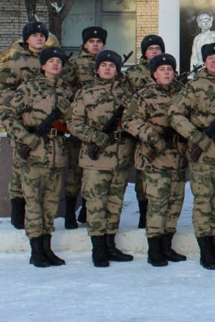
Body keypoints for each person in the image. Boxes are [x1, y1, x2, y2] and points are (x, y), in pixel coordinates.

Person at [169, 43, 215, 270]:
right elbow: (175, 113)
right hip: (203, 153)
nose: (214, 61)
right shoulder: (194, 87)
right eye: (210, 58)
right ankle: (205, 250)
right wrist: (195, 136)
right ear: (204, 61)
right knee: (203, 202)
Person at [0, 47, 71, 267]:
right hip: (34, 154)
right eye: (51, 61)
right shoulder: (29, 88)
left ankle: (47, 248)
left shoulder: (67, 91)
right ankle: (35, 250)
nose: (55, 64)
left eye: (59, 61)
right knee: (34, 204)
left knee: (50, 204)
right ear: (43, 65)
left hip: (57, 154)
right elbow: (5, 113)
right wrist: (25, 137)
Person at [69, 50, 135, 267]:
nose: (108, 69)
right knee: (96, 204)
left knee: (115, 203)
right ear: (97, 69)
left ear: (117, 70)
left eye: (112, 65)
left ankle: (110, 245)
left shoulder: (127, 94)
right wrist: (94, 136)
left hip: (120, 155)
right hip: (95, 159)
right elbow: (74, 123)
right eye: (104, 65)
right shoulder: (85, 93)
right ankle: (98, 249)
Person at [123, 53, 188, 267]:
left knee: (175, 203)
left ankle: (167, 245)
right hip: (154, 160)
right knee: (158, 205)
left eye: (170, 69)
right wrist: (154, 138)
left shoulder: (182, 93)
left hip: (177, 158)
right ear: (154, 73)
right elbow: (130, 121)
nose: (167, 72)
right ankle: (154, 249)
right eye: (162, 70)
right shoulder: (143, 95)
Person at [0, 21, 48, 230]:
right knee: (20, 164)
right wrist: (19, 105)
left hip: (44, 122)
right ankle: (18, 210)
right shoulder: (15, 63)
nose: (39, 38)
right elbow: (1, 88)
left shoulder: (50, 60)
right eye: (35, 36)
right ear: (27, 40)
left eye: (42, 35)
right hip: (21, 122)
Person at [62, 26, 108, 229]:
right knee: (75, 172)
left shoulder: (109, 63)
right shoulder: (74, 64)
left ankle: (87, 211)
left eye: (99, 42)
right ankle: (70, 214)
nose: (95, 45)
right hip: (80, 126)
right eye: (92, 42)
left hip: (100, 128)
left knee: (94, 171)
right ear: (84, 44)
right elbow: (65, 89)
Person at [125, 34, 167, 229]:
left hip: (161, 131)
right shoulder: (133, 72)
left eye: (158, 48)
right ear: (144, 52)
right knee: (141, 174)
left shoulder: (166, 70)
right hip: (139, 129)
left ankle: (158, 213)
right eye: (151, 49)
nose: (154, 52)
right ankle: (144, 213)